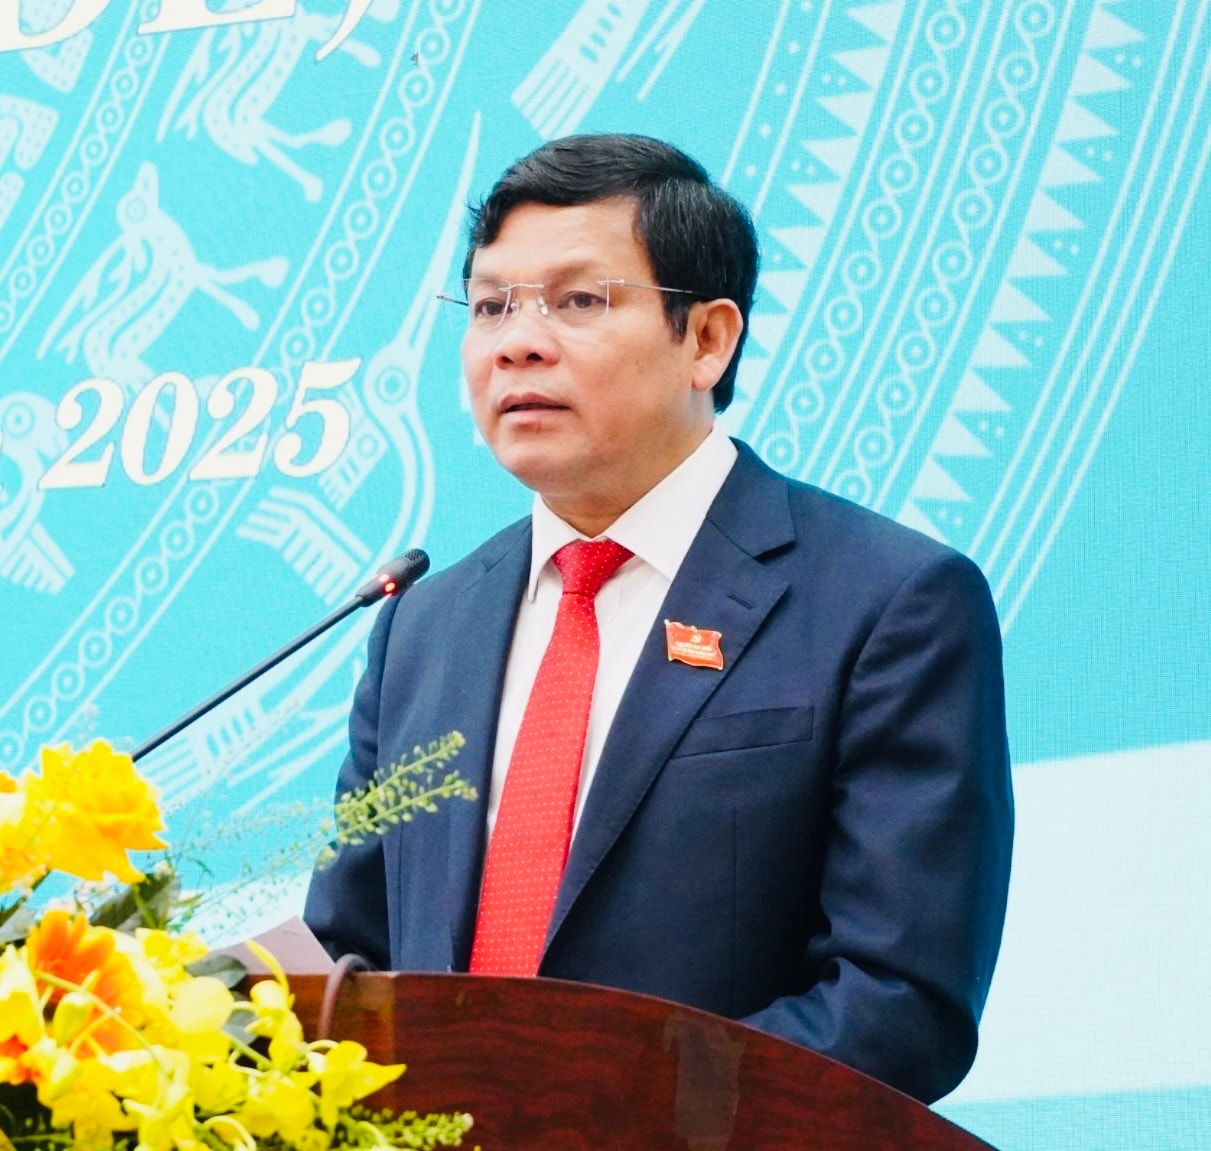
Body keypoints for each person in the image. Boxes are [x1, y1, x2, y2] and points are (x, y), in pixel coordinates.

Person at [304, 133, 1013, 1104]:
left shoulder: (885, 602)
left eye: (578, 301)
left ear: (706, 340)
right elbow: (349, 955)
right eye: (490, 305)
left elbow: (895, 1004)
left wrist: (583, 1119)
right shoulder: (421, 627)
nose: (516, 341)